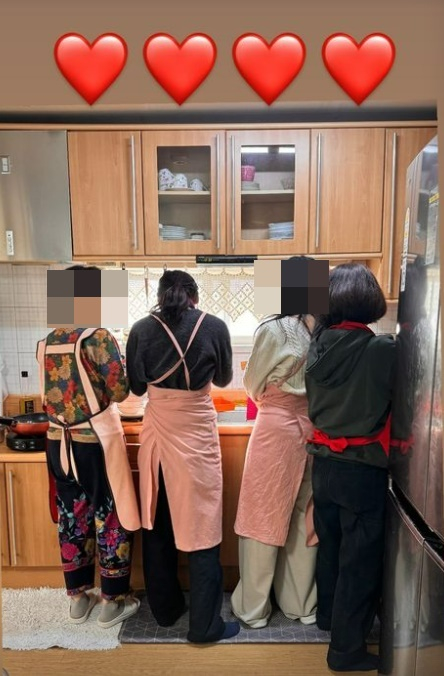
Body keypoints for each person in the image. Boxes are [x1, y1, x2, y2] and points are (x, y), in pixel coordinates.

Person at [125, 269, 240, 643]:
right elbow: (223, 380)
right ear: (195, 295)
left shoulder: (141, 330)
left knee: (157, 525)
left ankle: (165, 610)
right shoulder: (215, 326)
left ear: (160, 296)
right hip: (196, 437)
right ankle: (205, 625)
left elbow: (136, 387)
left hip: (158, 436)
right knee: (202, 526)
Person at [36, 265, 141, 628]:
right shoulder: (98, 337)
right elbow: (121, 391)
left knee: (72, 516)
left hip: (57, 441)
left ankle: (78, 598)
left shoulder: (47, 341)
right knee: (109, 515)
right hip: (94, 443)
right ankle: (112, 600)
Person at [304, 263, 395, 672]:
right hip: (361, 470)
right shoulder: (381, 350)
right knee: (359, 562)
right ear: (369, 300)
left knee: (332, 547)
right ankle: (345, 651)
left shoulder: (318, 343)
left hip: (323, 466)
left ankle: (328, 618)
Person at [231, 310, 318, 628]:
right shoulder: (322, 328)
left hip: (275, 428)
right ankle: (301, 604)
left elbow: (252, 384)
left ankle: (253, 608)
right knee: (302, 515)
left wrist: (272, 400)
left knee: (262, 513)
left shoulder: (273, 328)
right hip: (310, 428)